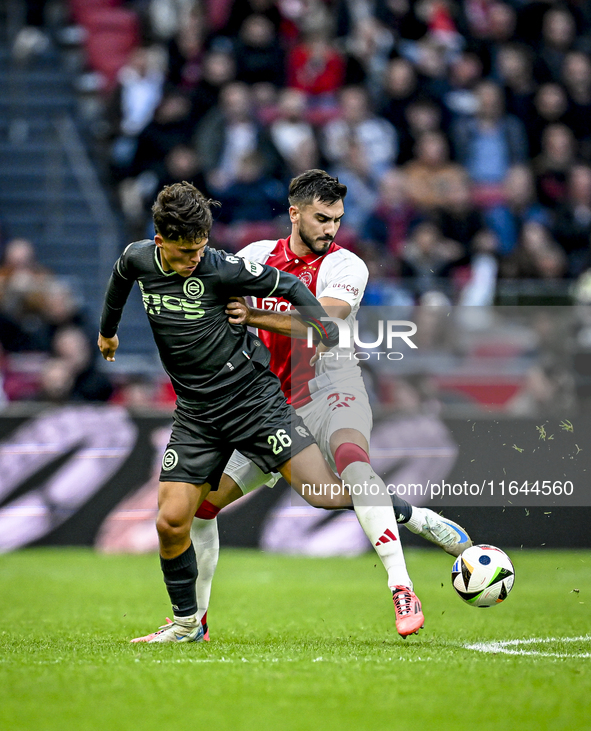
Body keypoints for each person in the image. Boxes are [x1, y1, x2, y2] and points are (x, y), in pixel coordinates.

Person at [97, 181, 424, 642]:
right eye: (186, 250)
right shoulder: (138, 258)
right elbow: (118, 276)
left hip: (255, 402)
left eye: (201, 247)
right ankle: (188, 624)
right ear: (160, 243)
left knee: (323, 493)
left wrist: (323, 328)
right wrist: (108, 333)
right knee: (172, 522)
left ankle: (406, 513)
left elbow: (288, 284)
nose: (195, 257)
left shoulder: (222, 267)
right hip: (197, 415)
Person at [189, 170, 472, 640]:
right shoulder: (256, 257)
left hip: (330, 387)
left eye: (337, 220)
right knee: (205, 507)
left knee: (354, 467)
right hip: (266, 404)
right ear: (294, 213)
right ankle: (195, 621)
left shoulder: (348, 266)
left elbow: (325, 326)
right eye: (322, 219)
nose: (330, 229)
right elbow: (212, 296)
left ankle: (402, 587)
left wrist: (253, 313)